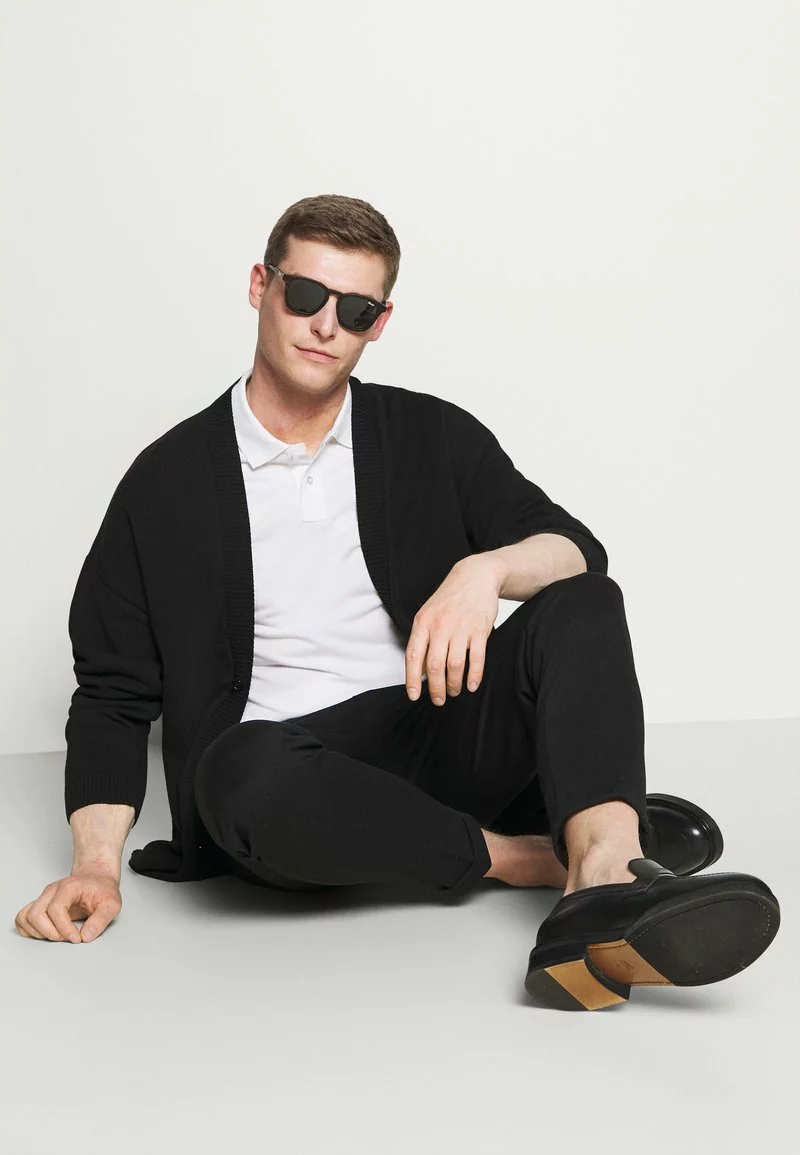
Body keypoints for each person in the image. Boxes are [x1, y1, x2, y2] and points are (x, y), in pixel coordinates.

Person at [14, 193, 780, 1011]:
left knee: (586, 601)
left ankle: (602, 880)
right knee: (235, 768)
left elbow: (573, 547)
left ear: (378, 324)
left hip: (434, 723)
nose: (324, 325)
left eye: (355, 310)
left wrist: (483, 571)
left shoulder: (429, 434)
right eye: (305, 295)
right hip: (290, 776)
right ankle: (538, 855)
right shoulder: (164, 484)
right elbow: (112, 694)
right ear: (260, 286)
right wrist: (94, 867)